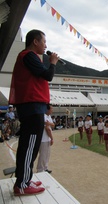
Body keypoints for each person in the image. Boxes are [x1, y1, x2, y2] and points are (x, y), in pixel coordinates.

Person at [9, 29, 59, 196]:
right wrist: (52, 62)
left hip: (32, 107)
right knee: (30, 145)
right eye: (44, 42)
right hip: (32, 107)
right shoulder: (28, 55)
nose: (46, 46)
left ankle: (26, 178)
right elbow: (48, 75)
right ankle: (22, 184)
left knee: (29, 145)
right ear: (35, 42)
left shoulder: (28, 57)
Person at [36, 104, 54, 174]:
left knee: (47, 154)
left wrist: (49, 123)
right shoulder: (43, 116)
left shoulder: (48, 116)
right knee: (43, 155)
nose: (52, 110)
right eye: (51, 109)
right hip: (43, 139)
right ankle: (40, 170)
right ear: (47, 109)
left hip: (47, 139)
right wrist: (52, 138)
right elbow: (47, 129)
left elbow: (53, 124)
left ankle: (45, 167)